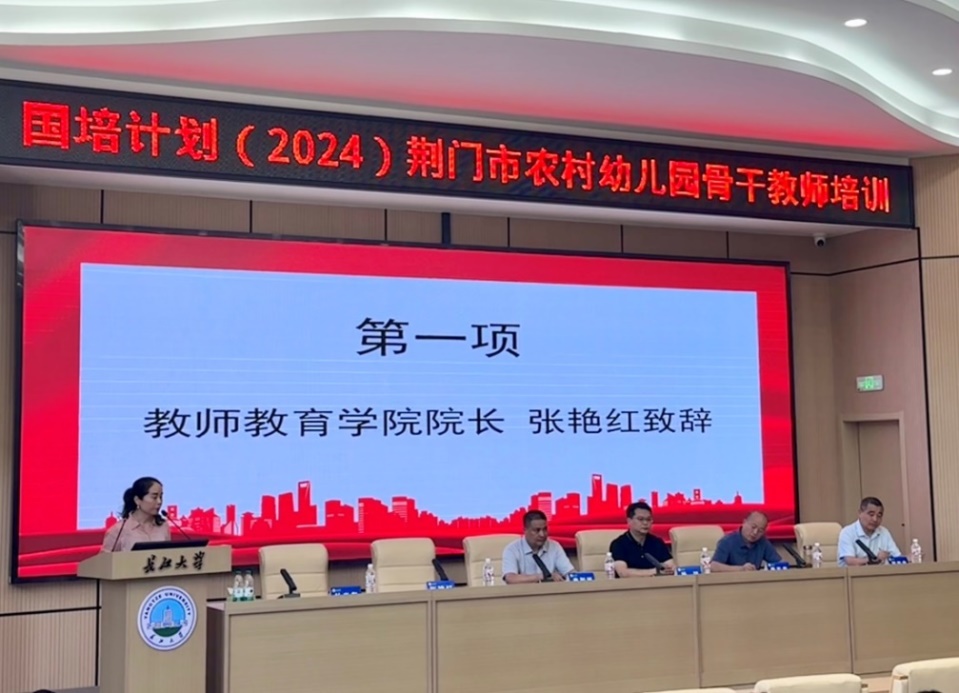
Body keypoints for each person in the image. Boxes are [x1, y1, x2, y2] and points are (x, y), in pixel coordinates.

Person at [502, 510, 574, 583]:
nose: (542, 534)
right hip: (524, 590)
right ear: (525, 530)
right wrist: (543, 576)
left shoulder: (555, 546)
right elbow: (510, 579)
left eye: (545, 529)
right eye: (537, 530)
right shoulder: (512, 549)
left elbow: (570, 573)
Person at [101, 476, 170, 552]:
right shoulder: (119, 530)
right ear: (137, 500)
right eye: (154, 497)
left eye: (161, 497)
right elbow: (105, 558)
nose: (159, 502)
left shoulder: (163, 526)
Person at [609, 501, 675, 577]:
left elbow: (671, 566)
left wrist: (669, 569)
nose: (645, 523)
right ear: (629, 521)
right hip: (629, 584)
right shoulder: (618, 544)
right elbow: (623, 573)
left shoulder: (657, 542)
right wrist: (655, 571)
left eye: (648, 519)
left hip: (656, 583)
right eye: (640, 519)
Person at [838, 496, 902, 566]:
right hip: (855, 573)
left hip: (880, 572)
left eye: (879, 516)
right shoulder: (847, 532)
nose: (875, 519)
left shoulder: (884, 532)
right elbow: (850, 561)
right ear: (860, 513)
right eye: (871, 515)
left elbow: (897, 557)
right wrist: (875, 559)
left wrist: (908, 558)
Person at [711, 511, 782, 572]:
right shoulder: (727, 541)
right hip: (731, 581)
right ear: (744, 522)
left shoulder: (763, 542)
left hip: (754, 582)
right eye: (753, 527)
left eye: (760, 531)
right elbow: (713, 566)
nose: (755, 532)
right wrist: (741, 569)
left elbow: (779, 563)